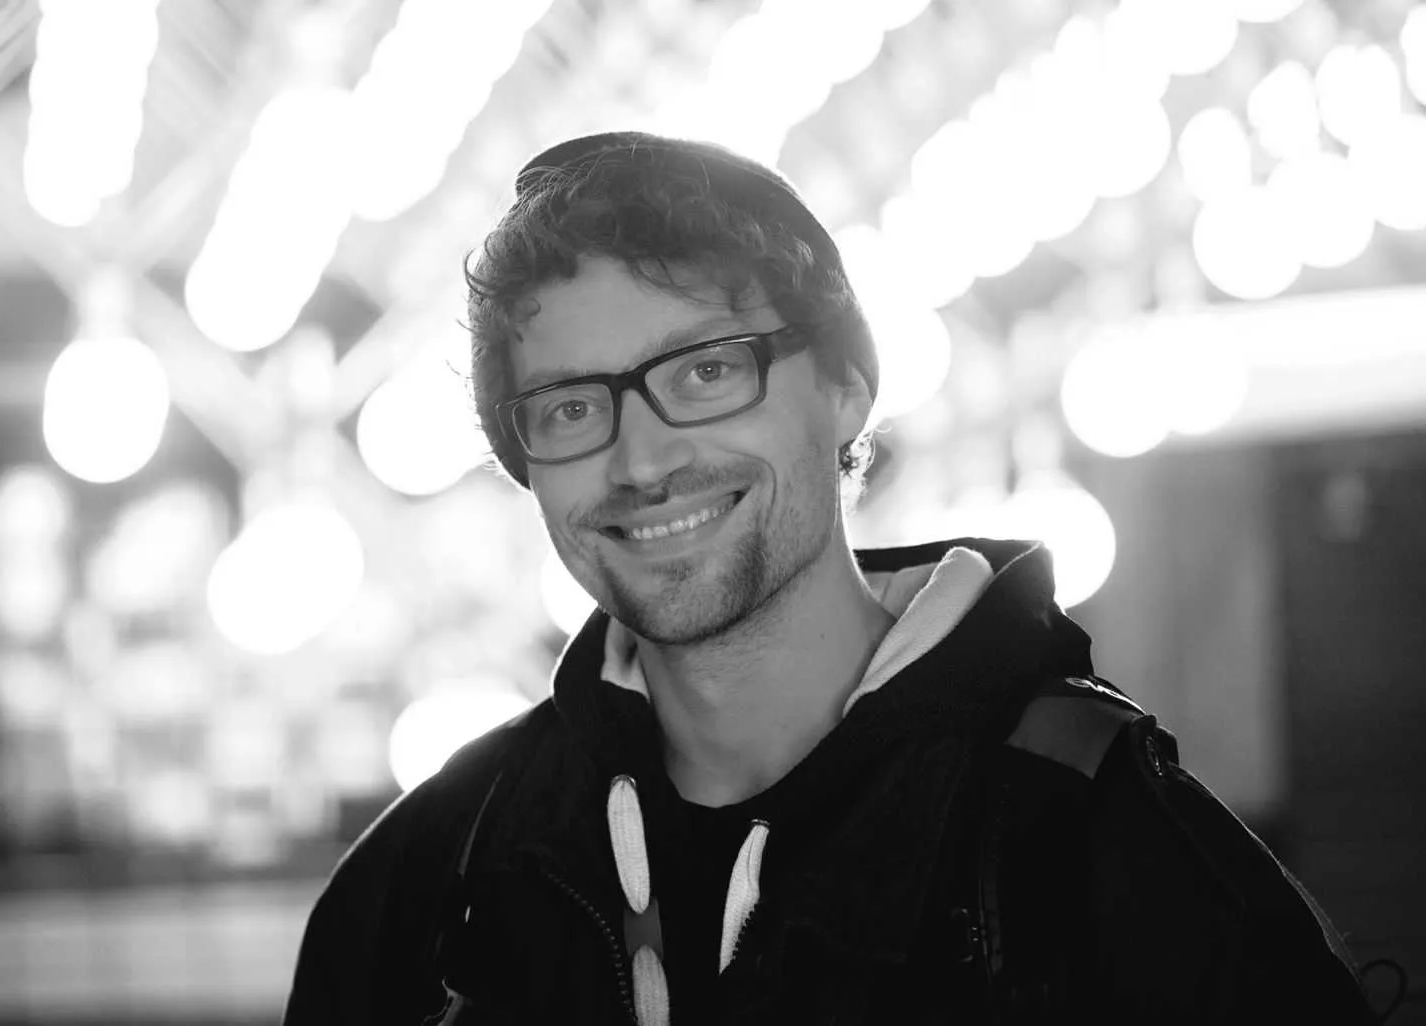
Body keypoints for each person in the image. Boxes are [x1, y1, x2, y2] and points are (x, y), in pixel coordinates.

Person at [283, 132, 1380, 1025]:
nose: (643, 459)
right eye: (572, 407)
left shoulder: (1090, 841)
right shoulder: (440, 874)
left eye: (706, 371)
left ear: (848, 388)